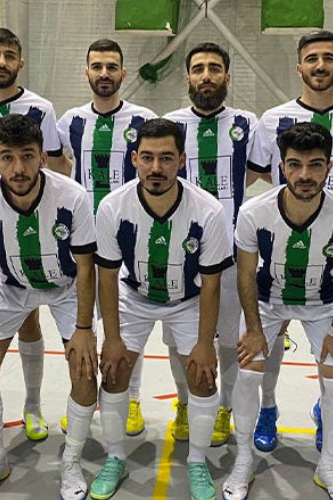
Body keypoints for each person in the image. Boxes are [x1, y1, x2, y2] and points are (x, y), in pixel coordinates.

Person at [247, 29, 333, 452]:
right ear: (299, 66)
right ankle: (267, 408)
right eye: (312, 58)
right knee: (268, 340)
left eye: (328, 57)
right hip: (281, 245)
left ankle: (325, 410)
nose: (320, 65)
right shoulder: (273, 119)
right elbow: (257, 172)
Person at [224, 122, 333, 500]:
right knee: (247, 374)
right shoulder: (254, 212)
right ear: (281, 167)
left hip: (324, 304)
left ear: (329, 167)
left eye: (315, 165)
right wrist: (254, 330)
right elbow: (245, 275)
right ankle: (244, 461)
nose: (305, 174)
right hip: (269, 300)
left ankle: (328, 467)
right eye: (295, 164)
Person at [93, 118, 233, 500]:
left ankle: (197, 461)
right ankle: (115, 457)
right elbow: (107, 277)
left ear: (182, 160)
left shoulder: (208, 211)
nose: (156, 167)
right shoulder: (112, 206)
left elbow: (212, 283)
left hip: (188, 300)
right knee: (115, 372)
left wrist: (205, 343)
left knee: (203, 377)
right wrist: (112, 338)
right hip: (135, 297)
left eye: (166, 158)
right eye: (148, 157)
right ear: (134, 159)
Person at [0, 114, 97, 500]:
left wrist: (84, 329)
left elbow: (85, 267)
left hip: (65, 287)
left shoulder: (72, 196)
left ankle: (71, 461)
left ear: (43, 157)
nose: (18, 168)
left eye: (27, 156)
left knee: (85, 370)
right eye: (7, 157)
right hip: (11, 285)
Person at [0, 27, 70, 442]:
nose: (1, 62)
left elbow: (57, 164)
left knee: (30, 318)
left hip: (33, 223)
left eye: (8, 55)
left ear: (20, 62)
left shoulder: (41, 107)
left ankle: (32, 406)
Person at [56, 38, 157, 436]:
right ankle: (83, 397)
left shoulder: (143, 119)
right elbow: (58, 166)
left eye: (111, 67)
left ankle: (131, 398)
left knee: (126, 323)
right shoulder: (71, 121)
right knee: (83, 320)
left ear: (123, 73)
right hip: (83, 238)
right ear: (86, 72)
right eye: (96, 66)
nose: (104, 73)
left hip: (129, 235)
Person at [161, 41, 257, 447]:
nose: (206, 76)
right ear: (187, 77)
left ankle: (224, 408)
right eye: (198, 68)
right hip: (177, 255)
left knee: (230, 340)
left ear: (227, 76)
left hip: (230, 255)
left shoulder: (248, 123)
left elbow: (255, 171)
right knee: (177, 338)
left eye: (214, 68)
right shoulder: (169, 123)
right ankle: (185, 402)